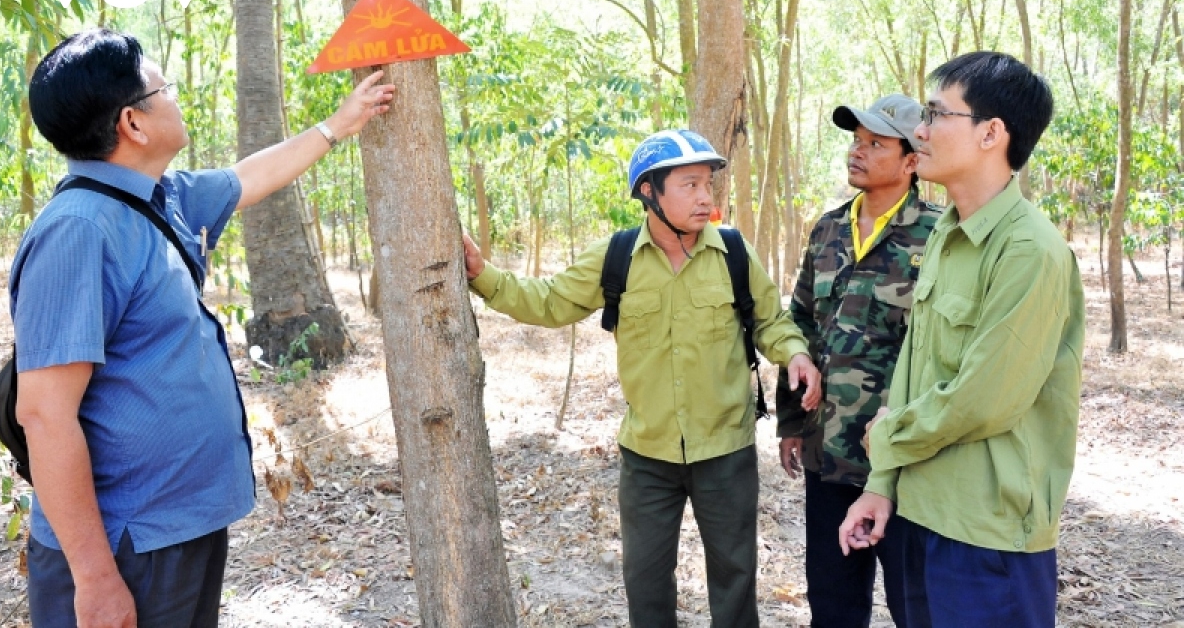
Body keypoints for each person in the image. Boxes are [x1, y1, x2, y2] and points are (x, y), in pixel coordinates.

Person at [11, 28, 394, 628]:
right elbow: (44, 414)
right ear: (133, 124)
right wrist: (94, 578)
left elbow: (247, 177)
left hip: (178, 528)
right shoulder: (80, 231)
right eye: (167, 89)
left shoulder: (159, 200)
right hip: (125, 544)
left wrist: (337, 125)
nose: (178, 99)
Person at [461, 130, 821, 628]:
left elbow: (770, 321)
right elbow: (548, 301)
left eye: (708, 184)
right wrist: (482, 275)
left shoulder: (734, 253)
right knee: (646, 581)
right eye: (689, 184)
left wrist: (795, 352)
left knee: (735, 580)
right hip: (647, 456)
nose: (705, 196)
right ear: (649, 192)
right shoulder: (617, 257)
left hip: (726, 451)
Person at [838, 52, 1085, 628]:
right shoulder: (947, 234)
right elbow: (913, 366)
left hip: (987, 534)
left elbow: (985, 397)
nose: (919, 132)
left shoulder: (1029, 251)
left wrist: (889, 436)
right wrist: (882, 485)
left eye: (936, 115)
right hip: (922, 513)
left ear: (990, 134)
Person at [777, 93, 940, 628]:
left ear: (913, 160)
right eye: (856, 141)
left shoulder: (937, 236)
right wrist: (793, 422)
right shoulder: (826, 230)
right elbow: (798, 324)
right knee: (833, 602)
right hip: (829, 456)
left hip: (902, 465)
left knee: (912, 604)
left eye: (876, 144)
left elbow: (939, 351)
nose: (858, 152)